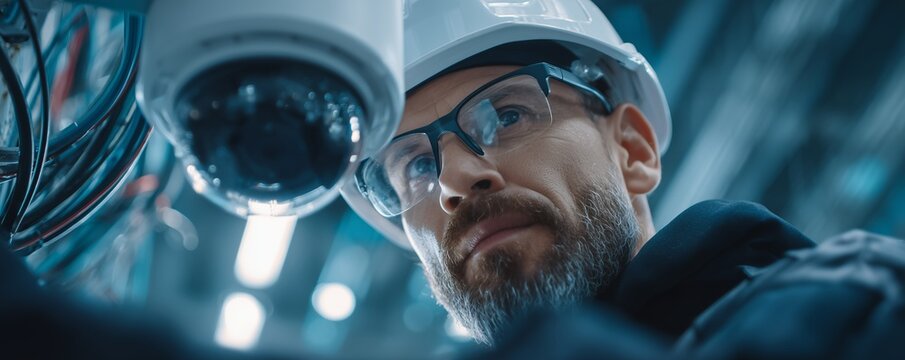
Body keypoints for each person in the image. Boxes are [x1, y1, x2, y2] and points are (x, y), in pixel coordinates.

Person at [340, 0, 905, 357]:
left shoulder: (859, 301)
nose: (455, 180)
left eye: (507, 115)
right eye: (415, 166)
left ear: (632, 150)